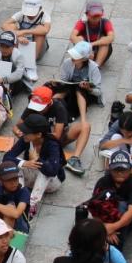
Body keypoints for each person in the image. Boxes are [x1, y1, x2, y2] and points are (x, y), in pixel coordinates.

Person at [51, 41, 100, 175]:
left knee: (79, 91)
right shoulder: (67, 63)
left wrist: (89, 88)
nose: (72, 58)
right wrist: (57, 84)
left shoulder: (93, 68)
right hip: (47, 140)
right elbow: (63, 80)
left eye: (76, 56)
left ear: (84, 58)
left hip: (82, 94)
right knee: (64, 89)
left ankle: (74, 159)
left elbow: (98, 91)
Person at [4, 113, 65, 218]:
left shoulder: (52, 144)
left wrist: (37, 159)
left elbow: (53, 171)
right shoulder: (26, 140)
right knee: (13, 164)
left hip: (51, 183)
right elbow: (7, 157)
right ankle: (20, 196)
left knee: (44, 169)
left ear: (39, 134)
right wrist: (25, 163)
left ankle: (31, 204)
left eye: (27, 132)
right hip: (31, 178)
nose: (23, 133)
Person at [84, 150, 132, 246]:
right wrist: (104, 226)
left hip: (126, 218)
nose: (120, 173)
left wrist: (112, 227)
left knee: (122, 206)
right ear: (110, 169)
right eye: (116, 169)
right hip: (106, 217)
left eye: (123, 170)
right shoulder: (103, 182)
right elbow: (94, 206)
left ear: (130, 170)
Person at [0, 160, 32, 236]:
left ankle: (6, 237)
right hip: (4, 226)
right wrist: (2, 224)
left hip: (20, 229)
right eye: (9, 180)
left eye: (15, 178)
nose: (13, 183)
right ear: (0, 180)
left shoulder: (23, 191)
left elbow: (16, 214)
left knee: (10, 208)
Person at [1, 0, 51, 70]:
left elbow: (45, 30)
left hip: (37, 47)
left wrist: (24, 32)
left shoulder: (45, 16)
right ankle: (11, 57)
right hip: (21, 43)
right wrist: (18, 36)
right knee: (12, 26)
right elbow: (4, 25)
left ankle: (31, 64)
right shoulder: (21, 14)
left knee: (40, 30)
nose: (30, 14)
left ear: (40, 8)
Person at [69, 0, 115, 66]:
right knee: (79, 38)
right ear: (87, 15)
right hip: (85, 51)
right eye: (93, 17)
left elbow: (111, 37)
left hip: (100, 51)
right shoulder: (82, 22)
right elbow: (72, 37)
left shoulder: (105, 22)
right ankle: (82, 63)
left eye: (98, 16)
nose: (96, 19)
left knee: (105, 41)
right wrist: (86, 47)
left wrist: (91, 44)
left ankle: (96, 66)